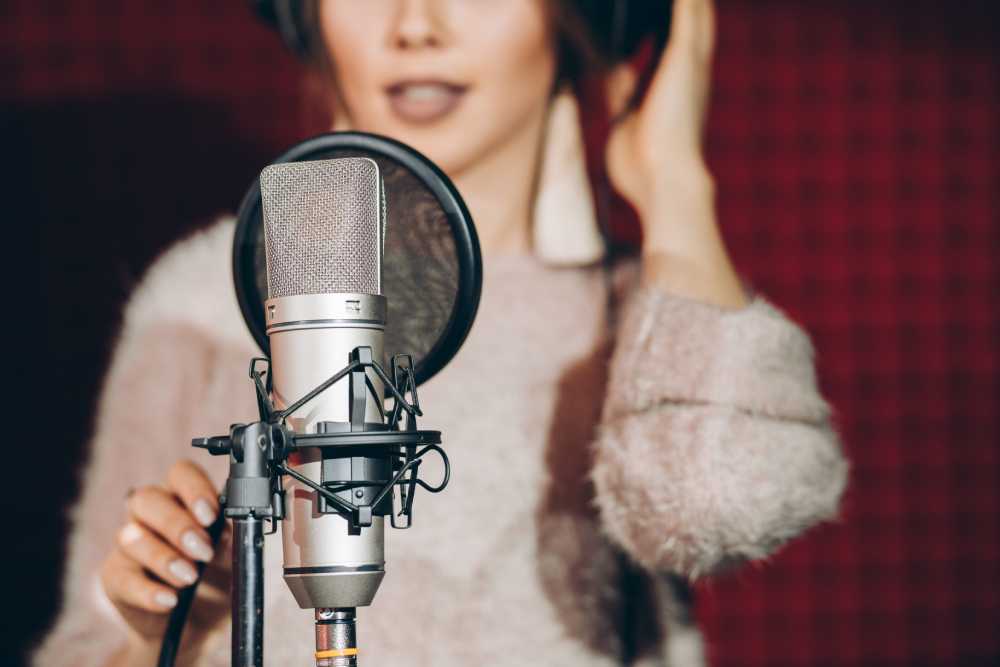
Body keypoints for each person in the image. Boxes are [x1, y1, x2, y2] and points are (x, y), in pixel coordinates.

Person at [33, 1, 848, 665]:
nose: (416, 23)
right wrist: (163, 632)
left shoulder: (651, 310)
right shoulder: (209, 300)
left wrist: (674, 186)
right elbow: (82, 649)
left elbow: (716, 506)